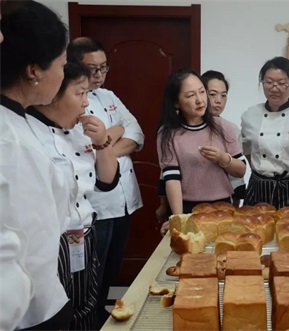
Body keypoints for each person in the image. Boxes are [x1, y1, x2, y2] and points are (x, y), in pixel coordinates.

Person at [26, 60, 120, 330]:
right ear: (52, 92)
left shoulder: (79, 131)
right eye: (79, 93)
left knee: (87, 307)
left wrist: (102, 142)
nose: (86, 103)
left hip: (83, 235)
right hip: (50, 245)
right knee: (58, 315)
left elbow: (107, 181)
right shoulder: (27, 134)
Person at [0, 1, 72, 329]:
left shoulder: (19, 120)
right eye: (62, 64)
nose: (63, 74)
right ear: (34, 71)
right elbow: (25, 237)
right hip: (28, 311)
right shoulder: (10, 140)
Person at [66, 37, 145, 327]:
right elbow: (84, 149)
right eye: (92, 69)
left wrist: (103, 144)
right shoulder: (69, 100)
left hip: (123, 199)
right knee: (90, 282)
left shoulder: (108, 96)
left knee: (112, 273)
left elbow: (136, 134)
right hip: (95, 207)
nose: (99, 75)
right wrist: (112, 136)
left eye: (103, 68)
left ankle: (103, 320)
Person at [157, 68, 246, 235]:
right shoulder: (168, 133)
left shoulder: (223, 127)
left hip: (222, 207)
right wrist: (178, 217)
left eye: (202, 92)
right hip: (187, 208)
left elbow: (241, 170)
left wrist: (222, 158)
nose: (200, 100)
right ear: (176, 102)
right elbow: (172, 179)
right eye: (190, 96)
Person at [241, 56, 289, 209]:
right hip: (258, 187)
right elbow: (247, 150)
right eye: (269, 82)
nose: (274, 88)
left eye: (282, 83)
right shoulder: (250, 116)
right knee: (255, 230)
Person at [202, 70, 246, 207]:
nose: (218, 101)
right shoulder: (182, 129)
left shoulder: (231, 129)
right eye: (212, 94)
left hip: (223, 201)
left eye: (223, 95)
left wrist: (237, 200)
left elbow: (238, 172)